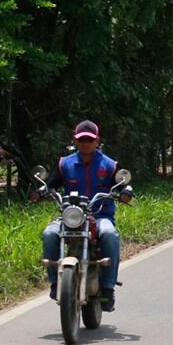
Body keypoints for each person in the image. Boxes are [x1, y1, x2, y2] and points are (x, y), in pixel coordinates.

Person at [37, 120, 132, 311]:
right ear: (75, 140)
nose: (86, 143)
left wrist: (125, 192)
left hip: (99, 216)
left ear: (97, 141)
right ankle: (56, 283)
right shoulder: (65, 163)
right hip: (71, 216)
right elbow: (52, 184)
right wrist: (41, 191)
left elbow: (123, 185)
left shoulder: (110, 164)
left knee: (110, 236)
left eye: (89, 140)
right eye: (82, 140)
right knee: (49, 234)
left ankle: (107, 288)